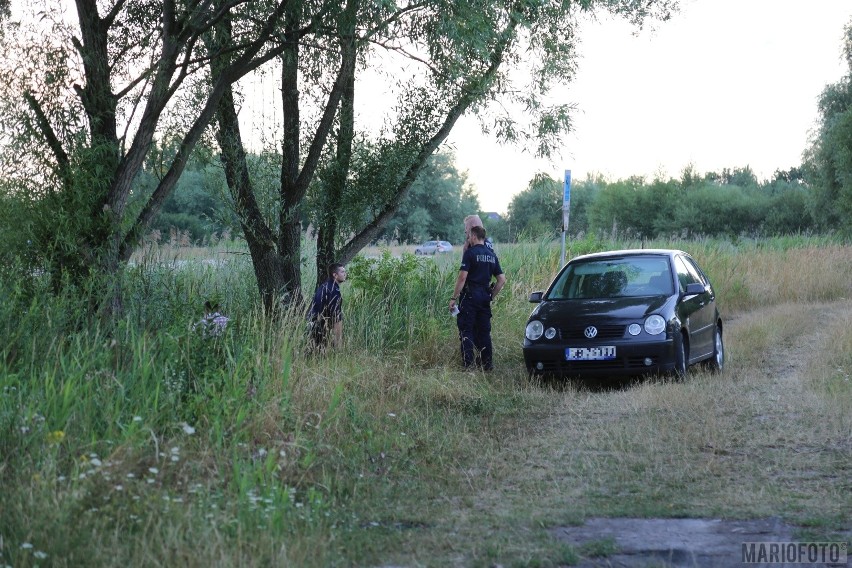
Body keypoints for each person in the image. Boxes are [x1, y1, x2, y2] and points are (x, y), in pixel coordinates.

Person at [449, 225, 506, 371]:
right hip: (485, 297)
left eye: (469, 236)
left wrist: (453, 298)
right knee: (484, 331)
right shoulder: (492, 255)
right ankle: (487, 365)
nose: (468, 238)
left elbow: (462, 278)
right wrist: (491, 296)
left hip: (470, 297)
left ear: (474, 236)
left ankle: (469, 365)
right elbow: (501, 280)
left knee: (466, 330)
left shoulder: (470, 253)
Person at [308, 263, 347, 350]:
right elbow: (336, 318)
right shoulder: (333, 291)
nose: (345, 274)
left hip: (312, 325)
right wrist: (338, 343)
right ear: (335, 275)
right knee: (319, 358)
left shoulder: (325, 286)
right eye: (342, 272)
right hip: (320, 329)